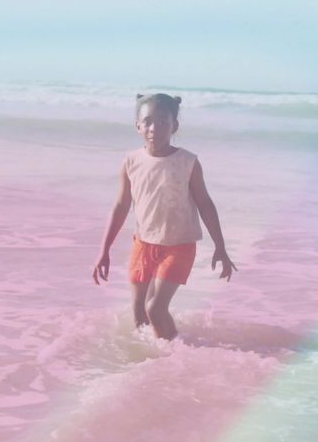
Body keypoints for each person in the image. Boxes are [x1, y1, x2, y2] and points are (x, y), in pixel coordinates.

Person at [92, 93, 237, 341]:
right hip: (143, 243)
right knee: (139, 315)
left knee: (155, 309)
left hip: (179, 246)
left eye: (162, 121)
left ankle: (177, 357)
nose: (154, 128)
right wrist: (104, 250)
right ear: (137, 126)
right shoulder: (131, 162)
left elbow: (205, 203)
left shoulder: (187, 162)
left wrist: (220, 247)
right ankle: (152, 369)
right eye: (147, 121)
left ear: (174, 126)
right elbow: (120, 205)